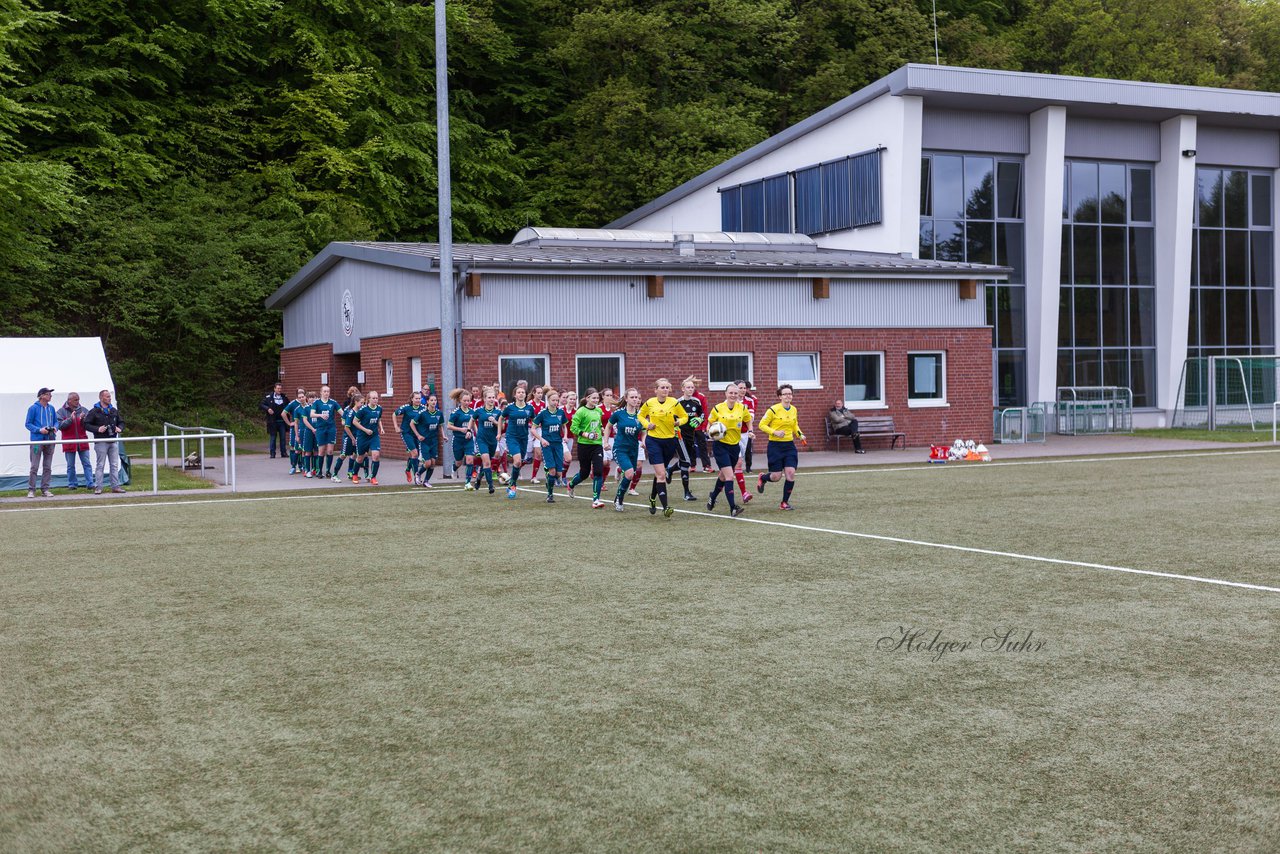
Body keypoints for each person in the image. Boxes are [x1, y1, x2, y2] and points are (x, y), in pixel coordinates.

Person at [638, 378, 688, 517]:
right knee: (661, 474)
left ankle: (652, 498)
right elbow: (640, 415)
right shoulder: (649, 403)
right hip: (654, 441)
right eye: (662, 387)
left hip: (670, 441)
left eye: (667, 387)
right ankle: (666, 507)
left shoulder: (674, 402)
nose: (665, 390)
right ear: (656, 390)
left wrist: (679, 422)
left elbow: (685, 417)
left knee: (659, 473)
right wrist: (647, 425)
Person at [757, 384, 806, 510]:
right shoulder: (773, 410)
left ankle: (784, 502)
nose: (788, 396)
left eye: (790, 393)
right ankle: (763, 477)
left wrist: (800, 435)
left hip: (789, 446)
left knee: (790, 473)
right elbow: (761, 425)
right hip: (775, 446)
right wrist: (775, 432)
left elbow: (795, 425)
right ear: (780, 396)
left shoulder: (794, 409)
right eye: (785, 394)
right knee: (776, 477)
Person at [706, 384, 750, 517]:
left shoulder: (742, 408)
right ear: (725, 393)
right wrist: (709, 432)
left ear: (739, 395)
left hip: (734, 446)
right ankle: (733, 508)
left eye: (736, 393)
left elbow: (748, 420)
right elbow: (709, 423)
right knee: (730, 476)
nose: (733, 395)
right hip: (721, 446)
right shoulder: (718, 408)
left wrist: (751, 430)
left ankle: (712, 497)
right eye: (731, 393)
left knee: (723, 476)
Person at [607, 388, 648, 513]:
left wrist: (644, 442)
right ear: (626, 399)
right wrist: (605, 442)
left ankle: (619, 494)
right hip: (620, 448)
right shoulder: (619, 413)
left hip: (633, 448)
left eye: (637, 397)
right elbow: (608, 427)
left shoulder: (640, 416)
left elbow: (644, 431)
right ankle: (620, 499)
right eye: (632, 397)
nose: (635, 400)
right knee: (630, 473)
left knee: (630, 475)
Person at [568, 387, 606, 508]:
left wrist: (602, 429)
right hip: (584, 445)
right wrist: (586, 434)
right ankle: (571, 484)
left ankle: (596, 499)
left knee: (598, 471)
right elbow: (573, 428)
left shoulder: (599, 411)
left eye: (597, 398)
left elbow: (598, 424)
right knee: (584, 473)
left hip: (597, 445)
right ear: (587, 398)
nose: (596, 400)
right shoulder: (581, 411)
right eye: (593, 398)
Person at [83, 388, 126, 494]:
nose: (109, 398)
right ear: (101, 398)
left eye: (110, 396)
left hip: (113, 440)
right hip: (101, 441)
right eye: (107, 397)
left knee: (114, 464)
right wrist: (97, 429)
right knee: (100, 465)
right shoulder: (94, 411)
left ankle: (115, 486)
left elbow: (121, 422)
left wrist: (120, 428)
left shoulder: (113, 410)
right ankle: (98, 487)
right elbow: (86, 424)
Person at [498, 384, 535, 498]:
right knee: (518, 461)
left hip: (524, 437)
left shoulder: (529, 408)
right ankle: (513, 485)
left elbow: (534, 420)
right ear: (515, 395)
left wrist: (535, 431)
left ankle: (511, 483)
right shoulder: (510, 408)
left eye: (523, 392)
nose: (521, 394)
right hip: (512, 437)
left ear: (526, 394)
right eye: (518, 392)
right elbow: (501, 418)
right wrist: (499, 433)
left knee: (519, 462)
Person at [532, 387, 567, 503]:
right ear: (548, 400)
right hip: (547, 445)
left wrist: (565, 436)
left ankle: (549, 480)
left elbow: (564, 426)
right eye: (553, 400)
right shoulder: (543, 414)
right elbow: (533, 429)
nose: (556, 402)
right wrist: (541, 440)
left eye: (557, 400)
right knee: (552, 471)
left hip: (558, 445)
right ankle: (550, 495)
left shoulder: (561, 413)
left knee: (558, 473)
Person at [673, 378, 707, 496]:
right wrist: (676, 427)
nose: (691, 389)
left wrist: (699, 419)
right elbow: (673, 418)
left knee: (685, 461)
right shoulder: (678, 403)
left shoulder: (696, 401)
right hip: (680, 436)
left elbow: (702, 413)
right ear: (683, 389)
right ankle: (686, 493)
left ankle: (670, 470)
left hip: (691, 436)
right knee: (686, 462)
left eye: (692, 387)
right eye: (688, 387)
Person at [57, 392, 94, 492]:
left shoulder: (84, 410)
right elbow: (60, 426)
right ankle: (72, 484)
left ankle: (90, 483)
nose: (78, 402)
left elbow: (89, 425)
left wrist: (83, 420)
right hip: (69, 442)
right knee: (70, 465)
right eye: (75, 400)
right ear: (69, 400)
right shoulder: (61, 412)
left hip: (82, 441)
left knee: (86, 463)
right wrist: (70, 420)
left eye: (78, 399)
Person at [25, 386, 58, 498]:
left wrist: (55, 428)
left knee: (47, 466)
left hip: (50, 440)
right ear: (42, 396)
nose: (50, 396)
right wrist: (39, 430)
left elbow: (56, 422)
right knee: (34, 466)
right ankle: (31, 489)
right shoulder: (33, 408)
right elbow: (28, 424)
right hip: (37, 441)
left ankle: (45, 489)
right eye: (48, 394)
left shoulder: (51, 408)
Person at [468, 386, 502, 494]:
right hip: (482, 439)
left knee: (486, 462)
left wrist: (495, 422)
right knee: (486, 462)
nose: (491, 399)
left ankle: (479, 478)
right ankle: (490, 485)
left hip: (493, 440)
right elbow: (472, 420)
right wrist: (469, 430)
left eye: (493, 397)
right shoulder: (479, 411)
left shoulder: (498, 412)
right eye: (489, 397)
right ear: (485, 398)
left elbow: (502, 426)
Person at [308, 385, 342, 480]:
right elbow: (311, 414)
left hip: (331, 428)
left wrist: (348, 418)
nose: (327, 393)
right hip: (320, 428)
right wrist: (320, 415)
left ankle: (328, 471)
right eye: (325, 391)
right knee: (321, 450)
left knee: (330, 450)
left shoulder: (333, 402)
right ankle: (319, 471)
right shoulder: (317, 403)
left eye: (328, 391)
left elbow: (342, 413)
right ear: (321, 392)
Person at [351, 390, 385, 484]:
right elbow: (354, 422)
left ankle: (373, 477)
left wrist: (381, 428)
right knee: (360, 458)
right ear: (368, 399)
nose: (375, 400)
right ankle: (354, 474)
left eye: (377, 398)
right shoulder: (363, 410)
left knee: (376, 455)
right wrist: (365, 430)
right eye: (373, 398)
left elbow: (379, 419)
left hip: (374, 436)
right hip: (362, 436)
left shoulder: (379, 409)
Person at [412, 393, 445, 487]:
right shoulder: (422, 413)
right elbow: (412, 423)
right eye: (431, 400)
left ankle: (426, 481)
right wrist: (418, 435)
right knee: (427, 463)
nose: (434, 402)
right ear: (427, 402)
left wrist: (443, 436)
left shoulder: (439, 413)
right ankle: (418, 474)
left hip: (434, 441)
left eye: (435, 400)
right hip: (424, 441)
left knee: (433, 463)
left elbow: (441, 425)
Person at [393, 391, 424, 483]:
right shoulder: (406, 408)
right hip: (406, 433)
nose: (418, 400)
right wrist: (396, 427)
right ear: (412, 399)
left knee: (415, 455)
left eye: (419, 398)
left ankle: (407, 470)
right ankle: (416, 477)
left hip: (417, 434)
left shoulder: (423, 409)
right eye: (416, 398)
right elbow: (394, 414)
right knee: (415, 454)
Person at [447, 388, 476, 485]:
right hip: (458, 440)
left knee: (469, 460)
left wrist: (477, 433)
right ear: (460, 401)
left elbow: (473, 424)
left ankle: (468, 482)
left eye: (468, 400)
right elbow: (449, 426)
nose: (467, 402)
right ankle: (454, 468)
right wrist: (460, 429)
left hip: (469, 439)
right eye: (465, 401)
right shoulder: (456, 413)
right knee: (459, 462)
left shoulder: (472, 412)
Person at [260, 382, 289, 460]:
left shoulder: (284, 397)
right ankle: (272, 453)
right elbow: (261, 404)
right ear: (274, 389)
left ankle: (283, 452)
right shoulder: (268, 397)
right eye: (278, 388)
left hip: (282, 421)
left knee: (283, 438)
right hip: (272, 421)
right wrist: (268, 409)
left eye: (280, 388)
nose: (279, 390)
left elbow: (288, 405)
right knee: (273, 438)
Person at [281, 387, 307, 474]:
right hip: (295, 428)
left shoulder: (307, 405)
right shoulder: (293, 404)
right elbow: (283, 413)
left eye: (302, 394)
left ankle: (302, 466)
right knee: (293, 447)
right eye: (299, 394)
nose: (301, 397)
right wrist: (289, 423)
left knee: (303, 448)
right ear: (297, 395)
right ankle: (293, 466)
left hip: (305, 428)